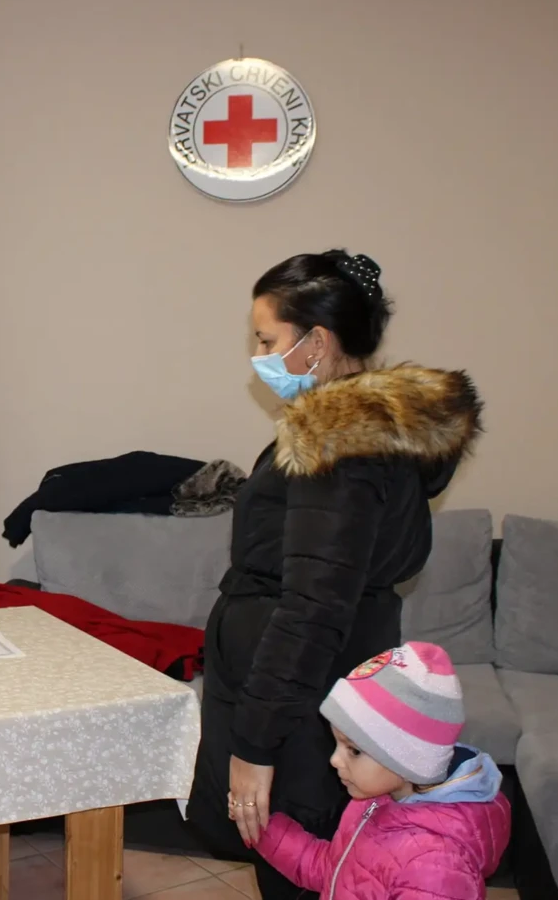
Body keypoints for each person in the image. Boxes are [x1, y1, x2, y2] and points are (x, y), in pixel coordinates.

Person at [184, 250, 483, 900]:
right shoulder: (362, 434)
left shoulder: (337, 444)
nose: (258, 356)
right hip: (311, 694)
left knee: (301, 866)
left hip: (298, 713)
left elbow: (311, 610)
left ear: (316, 344)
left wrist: (254, 746)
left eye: (267, 340)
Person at [256, 642, 512, 899]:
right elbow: (335, 872)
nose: (335, 760)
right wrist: (262, 827)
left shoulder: (435, 868)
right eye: (337, 744)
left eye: (353, 750)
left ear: (407, 760)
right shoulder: (376, 800)